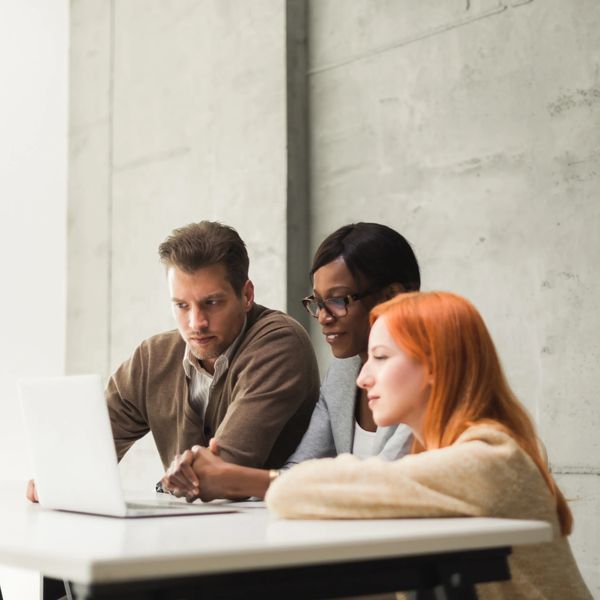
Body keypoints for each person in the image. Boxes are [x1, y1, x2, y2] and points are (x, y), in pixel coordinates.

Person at [266, 292, 593, 599]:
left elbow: (290, 491)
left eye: (380, 357)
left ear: (436, 366)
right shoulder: (447, 453)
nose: (363, 378)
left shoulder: (490, 458)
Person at [27, 220, 320, 502]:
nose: (196, 323)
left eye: (212, 303)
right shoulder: (153, 357)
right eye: (181, 306)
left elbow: (221, 470)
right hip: (190, 533)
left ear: (246, 295)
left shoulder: (278, 342)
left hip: (275, 535)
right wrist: (59, 477)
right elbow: (88, 451)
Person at [162, 223, 420, 501]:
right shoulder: (343, 374)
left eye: (337, 300)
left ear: (393, 296)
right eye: (317, 302)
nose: (322, 316)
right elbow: (301, 469)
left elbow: (387, 486)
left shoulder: (436, 371)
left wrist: (238, 481)